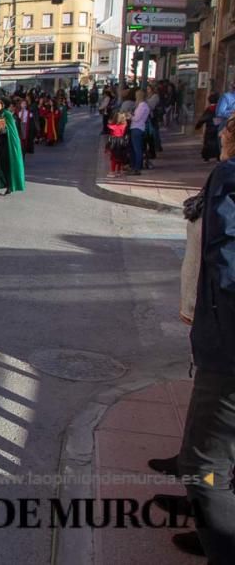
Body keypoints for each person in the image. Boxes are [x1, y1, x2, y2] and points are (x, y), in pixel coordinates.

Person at [177, 116, 235, 563]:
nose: (220, 137)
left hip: (228, 352)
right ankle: (213, 524)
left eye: (227, 132)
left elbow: (225, 268)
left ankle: (222, 539)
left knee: (204, 464)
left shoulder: (229, 178)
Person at [0, 98, 26, 197]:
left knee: (6, 166)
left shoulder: (6, 114)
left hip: (5, 146)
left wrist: (1, 130)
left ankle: (9, 186)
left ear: (1, 104)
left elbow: (10, 131)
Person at [129, 90, 150, 175]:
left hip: (137, 128)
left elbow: (136, 118)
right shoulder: (142, 105)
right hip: (137, 128)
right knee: (135, 149)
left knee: (137, 149)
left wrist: (130, 116)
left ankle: (137, 168)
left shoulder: (142, 106)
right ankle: (135, 166)